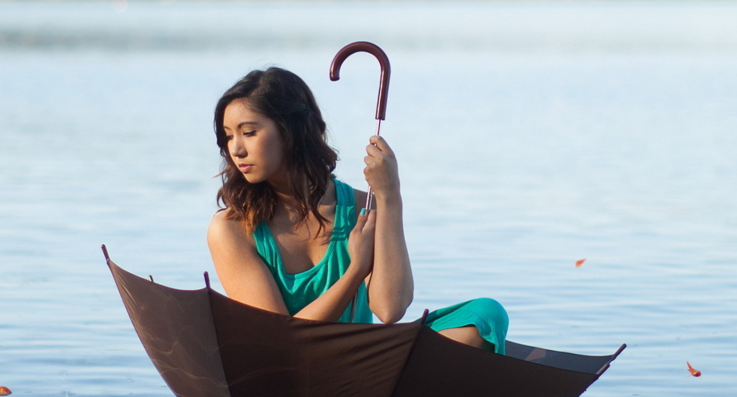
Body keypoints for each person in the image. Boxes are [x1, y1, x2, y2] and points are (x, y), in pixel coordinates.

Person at [207, 67, 510, 352]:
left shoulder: (363, 207)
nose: (236, 148)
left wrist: (389, 196)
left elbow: (390, 309)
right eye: (229, 135)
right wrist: (355, 271)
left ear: (291, 131)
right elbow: (282, 341)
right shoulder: (233, 228)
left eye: (248, 132)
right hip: (291, 374)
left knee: (484, 315)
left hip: (361, 363)